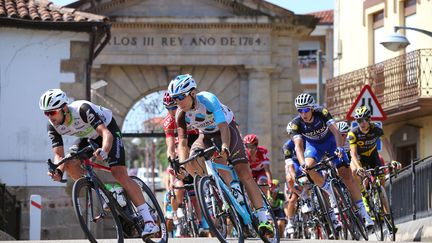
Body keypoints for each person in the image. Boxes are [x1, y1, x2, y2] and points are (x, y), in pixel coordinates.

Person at [39, 89, 159, 238]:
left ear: (64, 108)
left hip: (107, 130)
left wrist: (104, 150)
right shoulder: (52, 126)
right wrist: (58, 171)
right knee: (69, 163)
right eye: (46, 113)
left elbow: (106, 134)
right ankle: (105, 193)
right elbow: (59, 155)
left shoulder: (82, 109)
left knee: (119, 173)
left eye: (52, 112)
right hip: (88, 137)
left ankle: (149, 221)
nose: (49, 117)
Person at [168, 74, 273, 234]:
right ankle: (216, 189)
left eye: (181, 96)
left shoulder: (208, 100)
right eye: (175, 98)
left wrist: (225, 147)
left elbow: (223, 126)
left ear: (192, 93)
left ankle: (263, 218)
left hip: (227, 129)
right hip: (207, 135)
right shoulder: (180, 114)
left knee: (244, 173)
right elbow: (182, 142)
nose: (178, 101)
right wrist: (182, 164)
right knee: (192, 156)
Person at [288, 93, 374, 230]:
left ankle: (365, 214)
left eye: (305, 110)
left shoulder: (322, 112)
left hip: (331, 142)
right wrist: (303, 163)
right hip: (314, 147)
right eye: (300, 110)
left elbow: (336, 132)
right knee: (308, 168)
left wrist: (340, 148)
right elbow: (298, 146)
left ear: (311, 108)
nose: (303, 114)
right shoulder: (296, 124)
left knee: (346, 176)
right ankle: (328, 188)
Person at [162, 91, 209, 236]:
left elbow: (203, 134)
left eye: (174, 107)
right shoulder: (169, 122)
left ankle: (202, 222)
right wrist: (172, 159)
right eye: (168, 108)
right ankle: (175, 214)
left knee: (195, 195)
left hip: (194, 143)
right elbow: (170, 146)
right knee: (179, 186)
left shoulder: (189, 115)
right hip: (180, 150)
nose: (172, 111)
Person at [348, 106, 401, 215]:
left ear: (369, 119)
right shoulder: (353, 133)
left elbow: (387, 143)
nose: (362, 123)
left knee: (381, 182)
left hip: (373, 157)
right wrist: (359, 168)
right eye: (359, 121)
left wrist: (393, 160)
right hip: (360, 158)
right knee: (357, 173)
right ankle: (364, 196)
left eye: (364, 120)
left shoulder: (376, 129)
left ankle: (385, 214)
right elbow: (353, 154)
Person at [282, 122, 312, 236]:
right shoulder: (287, 146)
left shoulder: (307, 141)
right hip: (294, 170)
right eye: (291, 134)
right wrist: (296, 180)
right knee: (293, 199)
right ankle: (290, 222)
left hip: (305, 167)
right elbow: (290, 167)